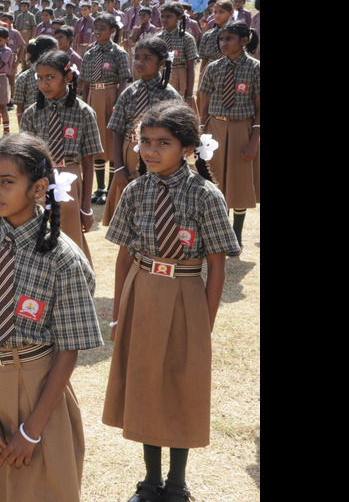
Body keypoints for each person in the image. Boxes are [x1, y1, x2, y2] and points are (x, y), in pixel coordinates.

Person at [0, 133, 101, 502]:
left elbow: (69, 350)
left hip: (39, 394)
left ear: (39, 187)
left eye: (7, 182)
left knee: (40, 488)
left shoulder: (63, 258)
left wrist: (32, 430)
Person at [103, 101, 237, 502]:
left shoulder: (205, 195)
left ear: (188, 148)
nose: (151, 151)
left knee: (180, 386)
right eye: (145, 141)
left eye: (164, 142)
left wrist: (205, 323)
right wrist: (117, 313)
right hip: (142, 291)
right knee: (145, 384)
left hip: (184, 295)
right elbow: (125, 255)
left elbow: (216, 268)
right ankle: (149, 482)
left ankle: (176, 485)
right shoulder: (135, 190)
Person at [19, 50, 101, 266]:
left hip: (70, 178)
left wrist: (86, 206)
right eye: (40, 78)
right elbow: (24, 158)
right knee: (38, 232)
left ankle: (75, 280)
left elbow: (88, 160)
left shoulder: (84, 113)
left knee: (70, 235)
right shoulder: (31, 114)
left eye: (50, 77)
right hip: (38, 179)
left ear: (68, 77)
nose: (44, 84)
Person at [102, 36, 184, 231]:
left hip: (157, 155)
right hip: (128, 153)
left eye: (147, 58)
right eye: (137, 57)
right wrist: (119, 168)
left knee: (152, 206)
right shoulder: (128, 93)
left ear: (161, 62)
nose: (140, 62)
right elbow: (118, 131)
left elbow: (177, 136)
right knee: (128, 207)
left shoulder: (169, 95)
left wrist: (145, 171)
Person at [196, 21, 259, 254]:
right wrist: (202, 131)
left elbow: (259, 108)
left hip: (242, 128)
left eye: (229, 39)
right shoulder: (213, 68)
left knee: (239, 183)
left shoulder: (255, 68)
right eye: (221, 39)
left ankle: (236, 236)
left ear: (244, 41)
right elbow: (204, 101)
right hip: (216, 129)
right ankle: (217, 234)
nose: (223, 43)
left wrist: (254, 141)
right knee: (214, 182)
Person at [79, 12, 131, 205]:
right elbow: (84, 82)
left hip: (110, 96)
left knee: (110, 142)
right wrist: (83, 104)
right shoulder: (90, 53)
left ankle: (110, 188)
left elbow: (123, 79)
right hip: (93, 95)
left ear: (112, 30)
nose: (98, 32)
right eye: (96, 28)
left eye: (102, 28)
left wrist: (118, 104)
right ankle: (99, 187)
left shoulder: (119, 52)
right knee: (96, 141)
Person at [157, 3, 199, 104]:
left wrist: (189, 94)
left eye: (169, 16)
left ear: (178, 18)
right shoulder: (157, 38)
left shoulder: (186, 38)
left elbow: (190, 68)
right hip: (161, 74)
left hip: (180, 74)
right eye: (162, 16)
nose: (164, 19)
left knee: (179, 106)